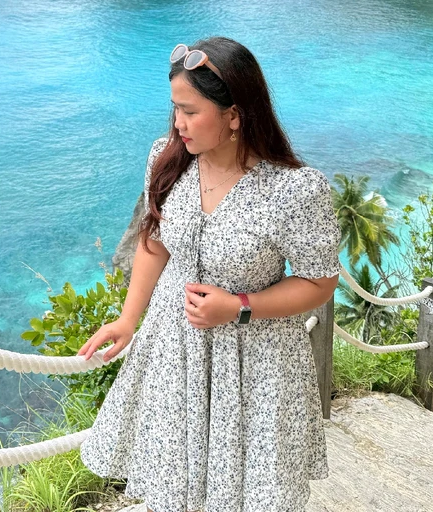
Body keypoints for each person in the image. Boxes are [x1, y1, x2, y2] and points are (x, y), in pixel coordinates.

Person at [77, 35, 342, 512]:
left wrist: (240, 307)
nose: (178, 124)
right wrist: (128, 318)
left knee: (251, 494)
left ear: (234, 115)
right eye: (175, 109)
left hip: (256, 362)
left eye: (190, 111)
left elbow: (319, 282)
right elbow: (155, 242)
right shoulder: (167, 159)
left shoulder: (294, 190)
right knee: (173, 487)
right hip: (174, 349)